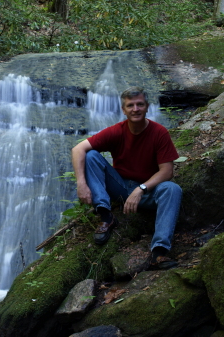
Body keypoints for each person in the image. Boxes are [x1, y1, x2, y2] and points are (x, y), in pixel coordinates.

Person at [71, 86, 182, 270]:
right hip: (120, 186)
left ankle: (159, 252)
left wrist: (141, 189)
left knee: (173, 189)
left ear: (147, 107)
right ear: (123, 110)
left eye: (140, 104)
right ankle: (106, 216)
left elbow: (167, 171)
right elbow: (77, 149)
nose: (135, 109)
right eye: (130, 105)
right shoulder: (117, 131)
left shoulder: (159, 133)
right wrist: (81, 184)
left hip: (149, 191)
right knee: (91, 155)